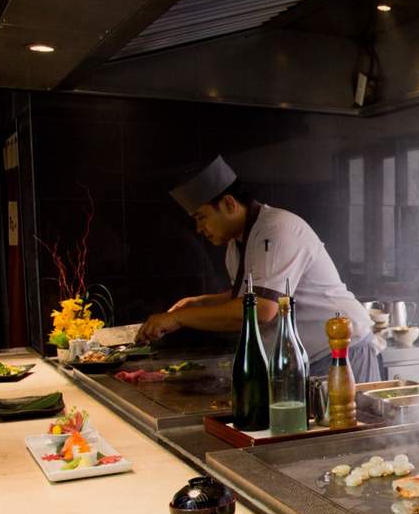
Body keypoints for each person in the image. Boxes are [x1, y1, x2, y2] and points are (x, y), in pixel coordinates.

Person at [139, 156, 383, 381]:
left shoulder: (277, 229)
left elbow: (263, 310)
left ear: (228, 204)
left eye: (201, 217)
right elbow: (250, 298)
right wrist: (199, 302)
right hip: (304, 360)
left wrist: (178, 318)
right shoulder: (236, 245)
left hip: (341, 354)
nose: (198, 229)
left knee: (351, 427)